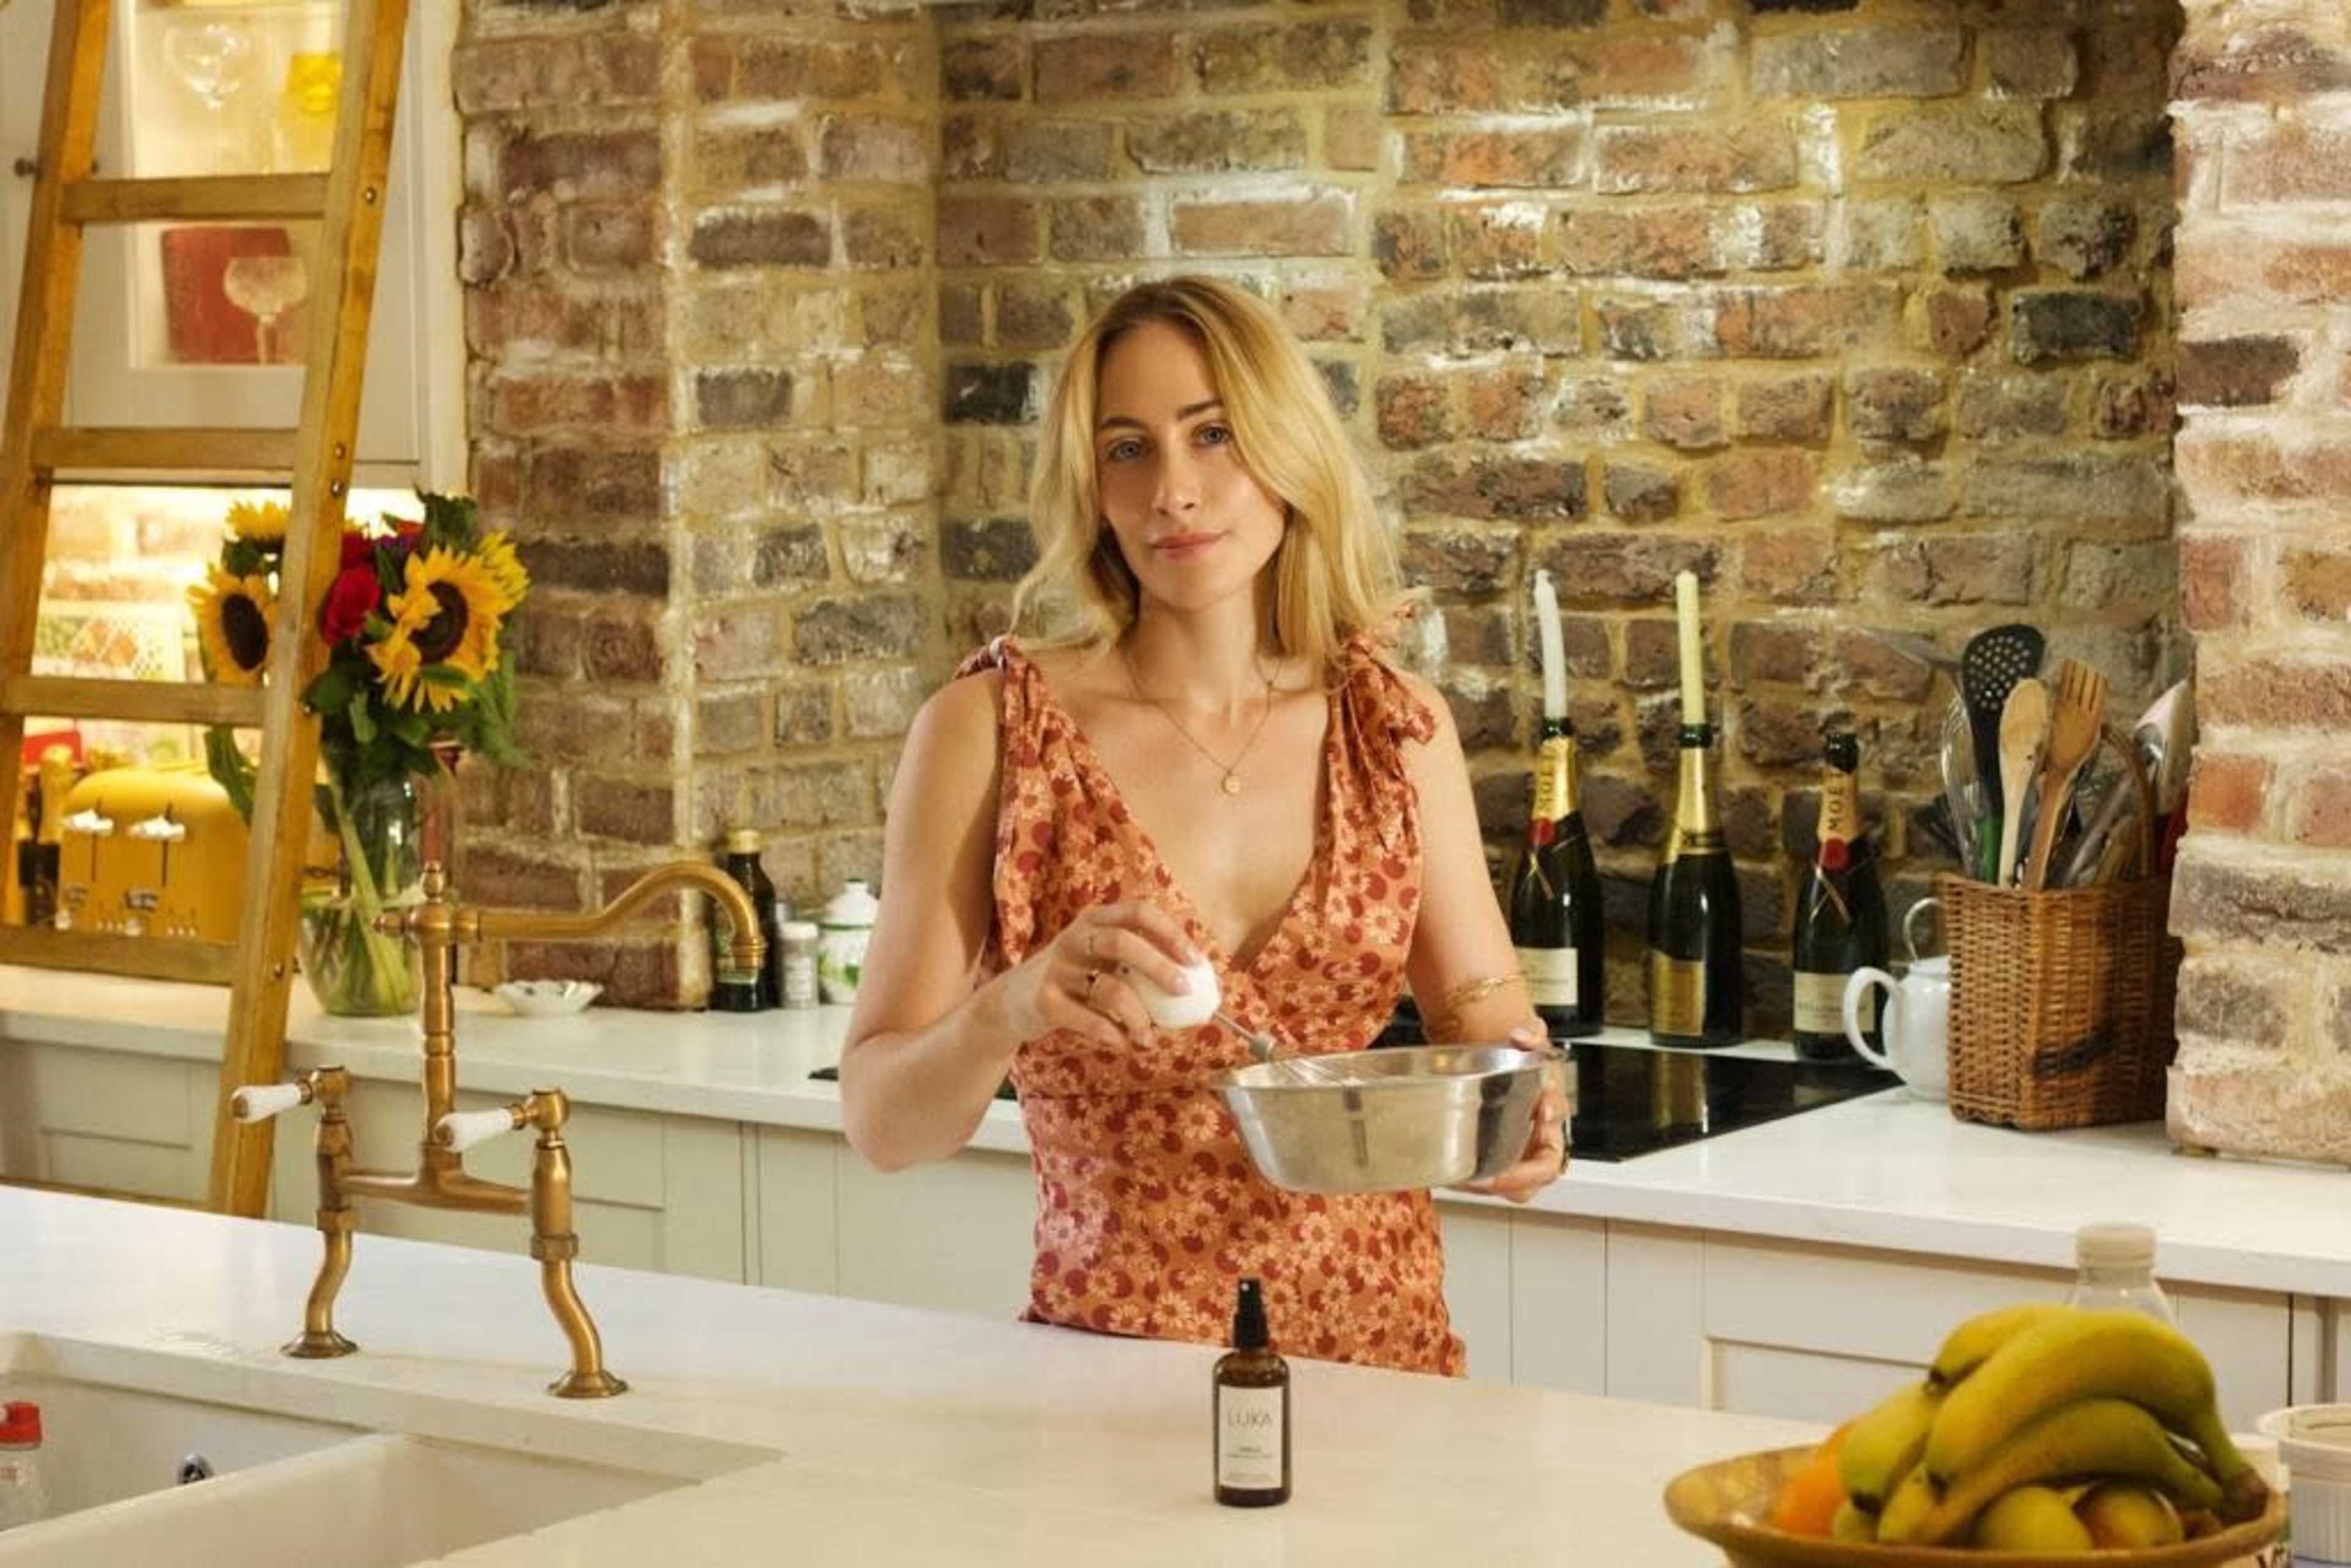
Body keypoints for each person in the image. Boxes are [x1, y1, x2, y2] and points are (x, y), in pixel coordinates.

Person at [840, 276, 1566, 1376]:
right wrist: (1012, 1007)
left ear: (1285, 445)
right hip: (1110, 1377)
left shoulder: (1395, 730)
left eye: (1214, 434)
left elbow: (1489, 1020)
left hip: (1382, 1371)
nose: (1174, 492)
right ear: (1091, 486)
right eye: (1128, 449)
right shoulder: (992, 730)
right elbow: (883, 1123)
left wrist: (1529, 1106)